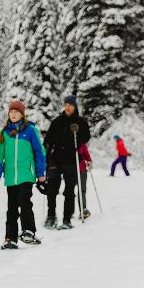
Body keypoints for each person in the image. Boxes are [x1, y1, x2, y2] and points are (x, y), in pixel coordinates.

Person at [0, 101, 46, 250]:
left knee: (24, 201)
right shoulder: (4, 133)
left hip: (26, 174)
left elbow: (40, 152)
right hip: (11, 177)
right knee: (12, 208)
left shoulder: (30, 131)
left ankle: (28, 231)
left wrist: (40, 173)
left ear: (22, 114)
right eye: (11, 112)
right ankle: (10, 238)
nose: (13, 114)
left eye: (16, 112)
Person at [43, 95, 90, 230]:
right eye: (66, 104)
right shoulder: (57, 121)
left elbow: (86, 137)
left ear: (75, 106)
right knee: (52, 188)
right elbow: (48, 139)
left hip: (71, 159)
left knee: (69, 190)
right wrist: (46, 153)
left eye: (70, 105)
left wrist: (78, 132)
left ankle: (67, 219)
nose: (68, 107)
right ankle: (51, 216)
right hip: (56, 158)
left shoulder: (80, 122)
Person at [77, 142, 93, 218]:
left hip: (82, 169)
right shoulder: (66, 139)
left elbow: (86, 154)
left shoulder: (81, 141)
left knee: (82, 190)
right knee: (69, 191)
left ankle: (83, 209)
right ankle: (69, 212)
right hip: (70, 170)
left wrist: (89, 161)